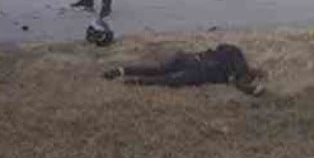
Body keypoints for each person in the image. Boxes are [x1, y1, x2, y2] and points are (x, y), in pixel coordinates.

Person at [103, 44, 264, 95]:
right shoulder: (238, 69)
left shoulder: (235, 56)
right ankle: (134, 81)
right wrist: (254, 90)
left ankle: (122, 70)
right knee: (168, 79)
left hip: (190, 58)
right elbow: (241, 84)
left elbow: (221, 47)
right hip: (198, 70)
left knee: (159, 70)